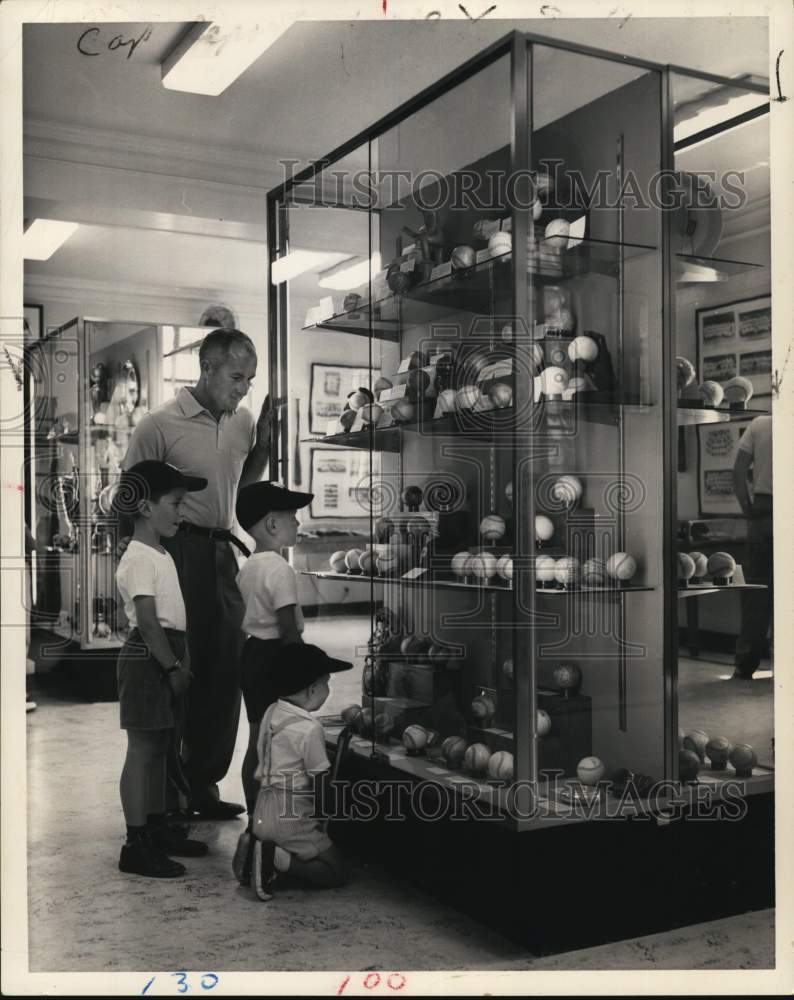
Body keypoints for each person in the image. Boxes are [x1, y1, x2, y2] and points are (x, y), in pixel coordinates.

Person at [121, 329, 277, 819]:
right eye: (236, 376)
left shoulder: (244, 421)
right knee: (178, 671)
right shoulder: (158, 425)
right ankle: (170, 799)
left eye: (250, 378)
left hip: (221, 552)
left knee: (223, 671)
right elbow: (130, 500)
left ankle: (203, 785)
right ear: (206, 368)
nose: (244, 387)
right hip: (175, 553)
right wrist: (138, 573)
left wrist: (264, 446)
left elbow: (240, 488)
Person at [114, 461, 210, 877]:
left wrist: (180, 659)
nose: (182, 511)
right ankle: (136, 844)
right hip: (149, 657)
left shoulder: (159, 552)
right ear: (144, 507)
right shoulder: (138, 557)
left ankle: (155, 828)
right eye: (175, 502)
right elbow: (149, 622)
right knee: (143, 751)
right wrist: (172, 666)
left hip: (167, 654)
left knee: (159, 749)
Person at [230, 480, 313, 885]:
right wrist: (304, 667)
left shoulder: (249, 567)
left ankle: (253, 815)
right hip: (276, 657)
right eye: (293, 516)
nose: (299, 522)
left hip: (252, 655)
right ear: (272, 524)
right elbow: (288, 628)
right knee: (275, 743)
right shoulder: (280, 569)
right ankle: (268, 823)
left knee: (256, 738)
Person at [248, 643, 353, 901]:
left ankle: (256, 849)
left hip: (263, 811)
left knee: (294, 844)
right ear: (312, 689)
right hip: (291, 817)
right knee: (336, 870)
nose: (329, 690)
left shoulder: (271, 711)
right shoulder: (309, 729)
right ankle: (279, 861)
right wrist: (336, 810)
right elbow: (321, 783)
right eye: (327, 683)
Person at [732, 413, 773, 680]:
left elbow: (737, 472)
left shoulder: (760, 424)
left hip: (764, 509)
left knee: (756, 592)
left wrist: (747, 507)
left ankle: (745, 666)